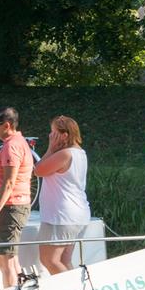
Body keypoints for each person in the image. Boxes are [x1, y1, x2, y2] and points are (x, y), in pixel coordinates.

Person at [0, 107, 36, 290]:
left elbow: (9, 182)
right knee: (6, 258)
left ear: (6, 125)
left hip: (11, 206)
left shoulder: (12, 146)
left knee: (8, 261)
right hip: (10, 206)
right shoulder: (16, 142)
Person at [33, 115, 90, 274]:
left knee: (49, 260)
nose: (50, 136)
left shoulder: (64, 154)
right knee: (64, 260)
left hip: (60, 216)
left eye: (53, 133)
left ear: (64, 135)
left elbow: (38, 170)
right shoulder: (80, 153)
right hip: (77, 214)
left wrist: (50, 148)